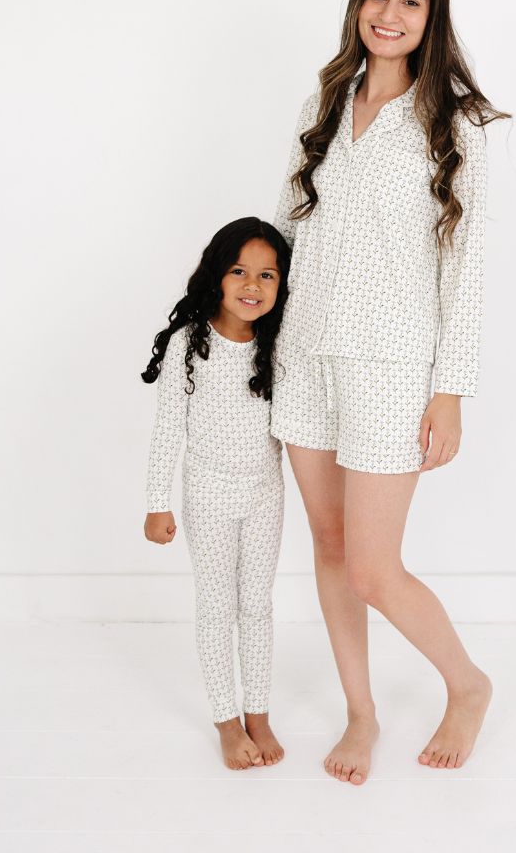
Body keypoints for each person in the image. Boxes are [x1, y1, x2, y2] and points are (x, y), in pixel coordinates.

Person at [270, 0, 512, 785]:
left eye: (410, 1)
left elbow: (466, 268)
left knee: (375, 566)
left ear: (432, 17)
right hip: (304, 357)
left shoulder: (457, 124)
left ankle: (468, 684)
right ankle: (361, 714)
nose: (389, 14)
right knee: (331, 547)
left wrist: (450, 393)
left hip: (391, 366)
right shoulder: (327, 100)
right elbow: (291, 231)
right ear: (358, 4)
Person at [141, 217, 292, 771]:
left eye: (267, 275)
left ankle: (258, 711)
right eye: (239, 271)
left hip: (265, 494)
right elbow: (167, 430)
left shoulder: (277, 346)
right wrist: (158, 501)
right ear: (218, 276)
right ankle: (226, 720)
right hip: (207, 492)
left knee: (256, 605)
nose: (253, 286)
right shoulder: (191, 343)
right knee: (216, 606)